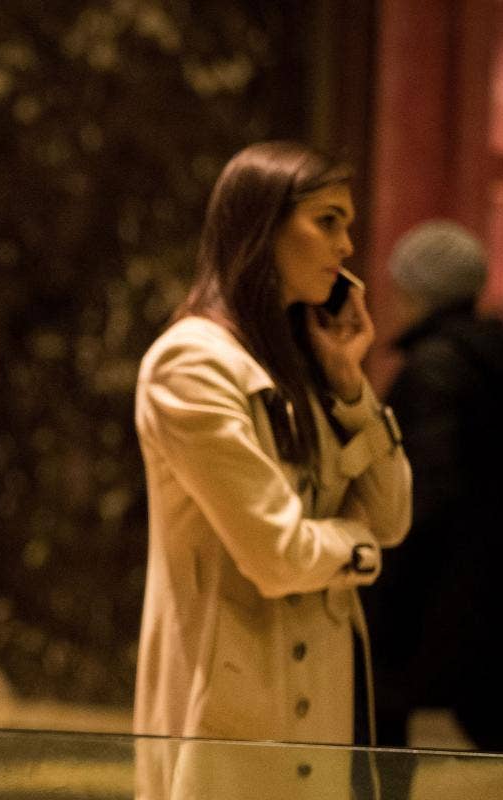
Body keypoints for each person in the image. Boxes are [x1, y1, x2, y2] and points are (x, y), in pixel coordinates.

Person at [132, 141, 412, 798]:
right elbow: (277, 554)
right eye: (327, 221)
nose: (347, 246)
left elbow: (393, 513)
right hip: (233, 708)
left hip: (323, 709)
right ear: (263, 226)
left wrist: (349, 383)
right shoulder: (192, 364)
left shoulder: (305, 361)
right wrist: (359, 548)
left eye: (348, 223)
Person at [363, 221, 503, 760]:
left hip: (430, 582)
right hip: (481, 574)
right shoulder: (484, 357)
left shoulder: (434, 366)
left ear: (421, 291)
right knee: (490, 720)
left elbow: (429, 486)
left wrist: (383, 565)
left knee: (382, 716)